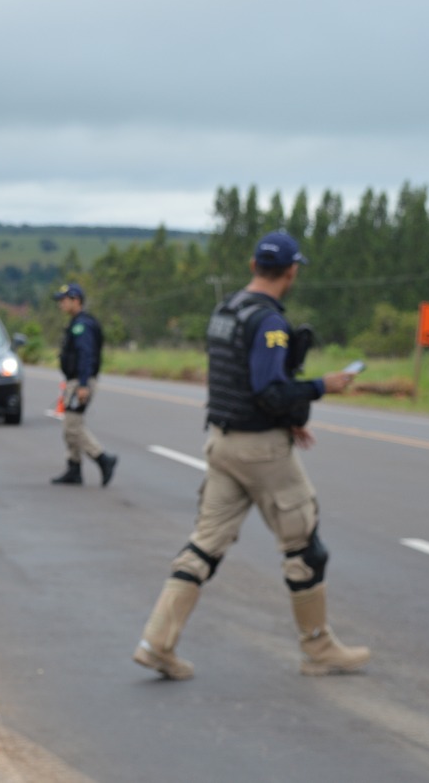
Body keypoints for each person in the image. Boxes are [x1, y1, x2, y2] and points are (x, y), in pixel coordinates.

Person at [132, 231, 368, 680]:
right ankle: (318, 648)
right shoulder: (270, 323)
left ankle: (156, 643)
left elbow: (241, 382)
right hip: (260, 450)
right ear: (292, 270)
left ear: (253, 265)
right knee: (304, 546)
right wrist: (323, 386)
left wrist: (288, 415)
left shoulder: (227, 310)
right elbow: (269, 388)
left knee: (205, 545)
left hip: (222, 440)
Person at [49, 283, 118, 486]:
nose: (61, 304)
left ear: (75, 300)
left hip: (80, 381)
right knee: (71, 425)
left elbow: (86, 356)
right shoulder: (77, 322)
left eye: (64, 300)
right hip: (75, 380)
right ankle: (74, 468)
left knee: (72, 426)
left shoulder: (82, 325)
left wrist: (83, 384)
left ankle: (103, 458)